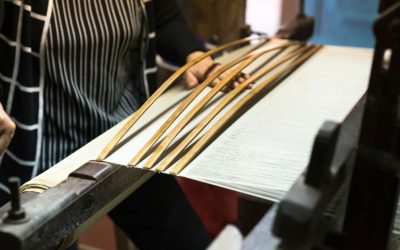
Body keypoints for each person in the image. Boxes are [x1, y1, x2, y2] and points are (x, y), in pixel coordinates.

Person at [0, 0, 247, 249]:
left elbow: (165, 19)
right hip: (43, 152)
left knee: (188, 242)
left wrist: (194, 56)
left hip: (123, 139)